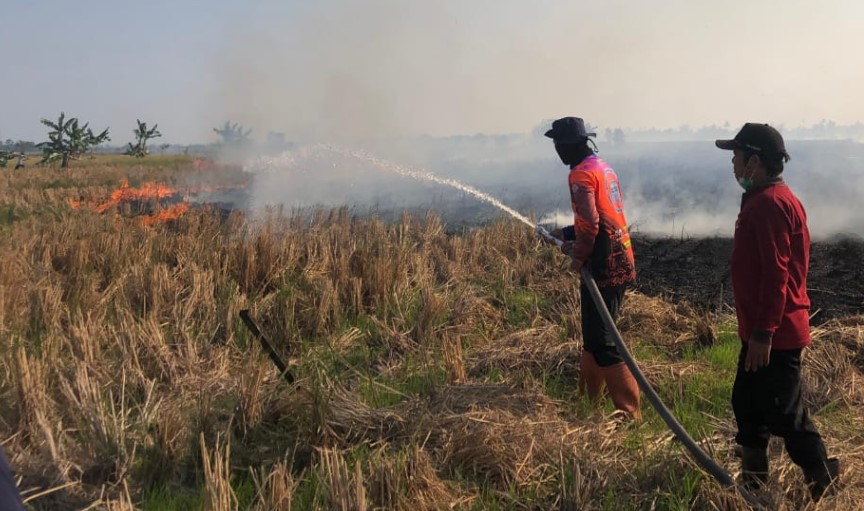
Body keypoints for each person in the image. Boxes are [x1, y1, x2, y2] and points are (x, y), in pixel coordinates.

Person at [716, 123, 840, 501]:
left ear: (755, 161)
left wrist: (763, 333)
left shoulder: (769, 205)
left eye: (737, 157)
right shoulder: (767, 198)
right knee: (747, 403)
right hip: (761, 331)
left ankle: (826, 484)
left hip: (775, 335)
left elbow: (777, 275)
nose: (733, 164)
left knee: (786, 414)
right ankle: (753, 484)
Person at [544, 116, 640, 420]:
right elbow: (601, 214)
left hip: (604, 263)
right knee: (593, 337)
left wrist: (579, 255)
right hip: (619, 255)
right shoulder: (602, 167)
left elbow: (591, 222)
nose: (557, 151)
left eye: (559, 145)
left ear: (569, 145)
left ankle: (629, 413)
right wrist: (567, 234)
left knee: (605, 340)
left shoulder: (581, 176)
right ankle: (588, 403)